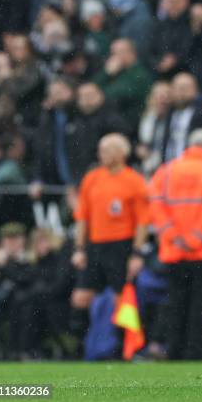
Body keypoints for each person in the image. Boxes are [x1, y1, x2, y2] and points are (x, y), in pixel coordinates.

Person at [148, 129, 202, 360]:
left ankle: (173, 350)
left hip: (175, 250)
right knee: (201, 305)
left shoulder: (166, 171)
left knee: (176, 302)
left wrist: (173, 236)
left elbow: (155, 204)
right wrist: (195, 238)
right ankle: (196, 352)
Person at [70, 134, 149, 321]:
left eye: (106, 150)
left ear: (121, 153)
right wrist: (79, 248)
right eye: (100, 150)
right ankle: (82, 345)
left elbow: (143, 221)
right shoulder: (92, 178)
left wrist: (137, 253)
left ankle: (120, 346)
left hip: (121, 246)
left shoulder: (135, 181)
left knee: (120, 301)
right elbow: (82, 217)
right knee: (80, 298)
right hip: (95, 245)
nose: (101, 154)